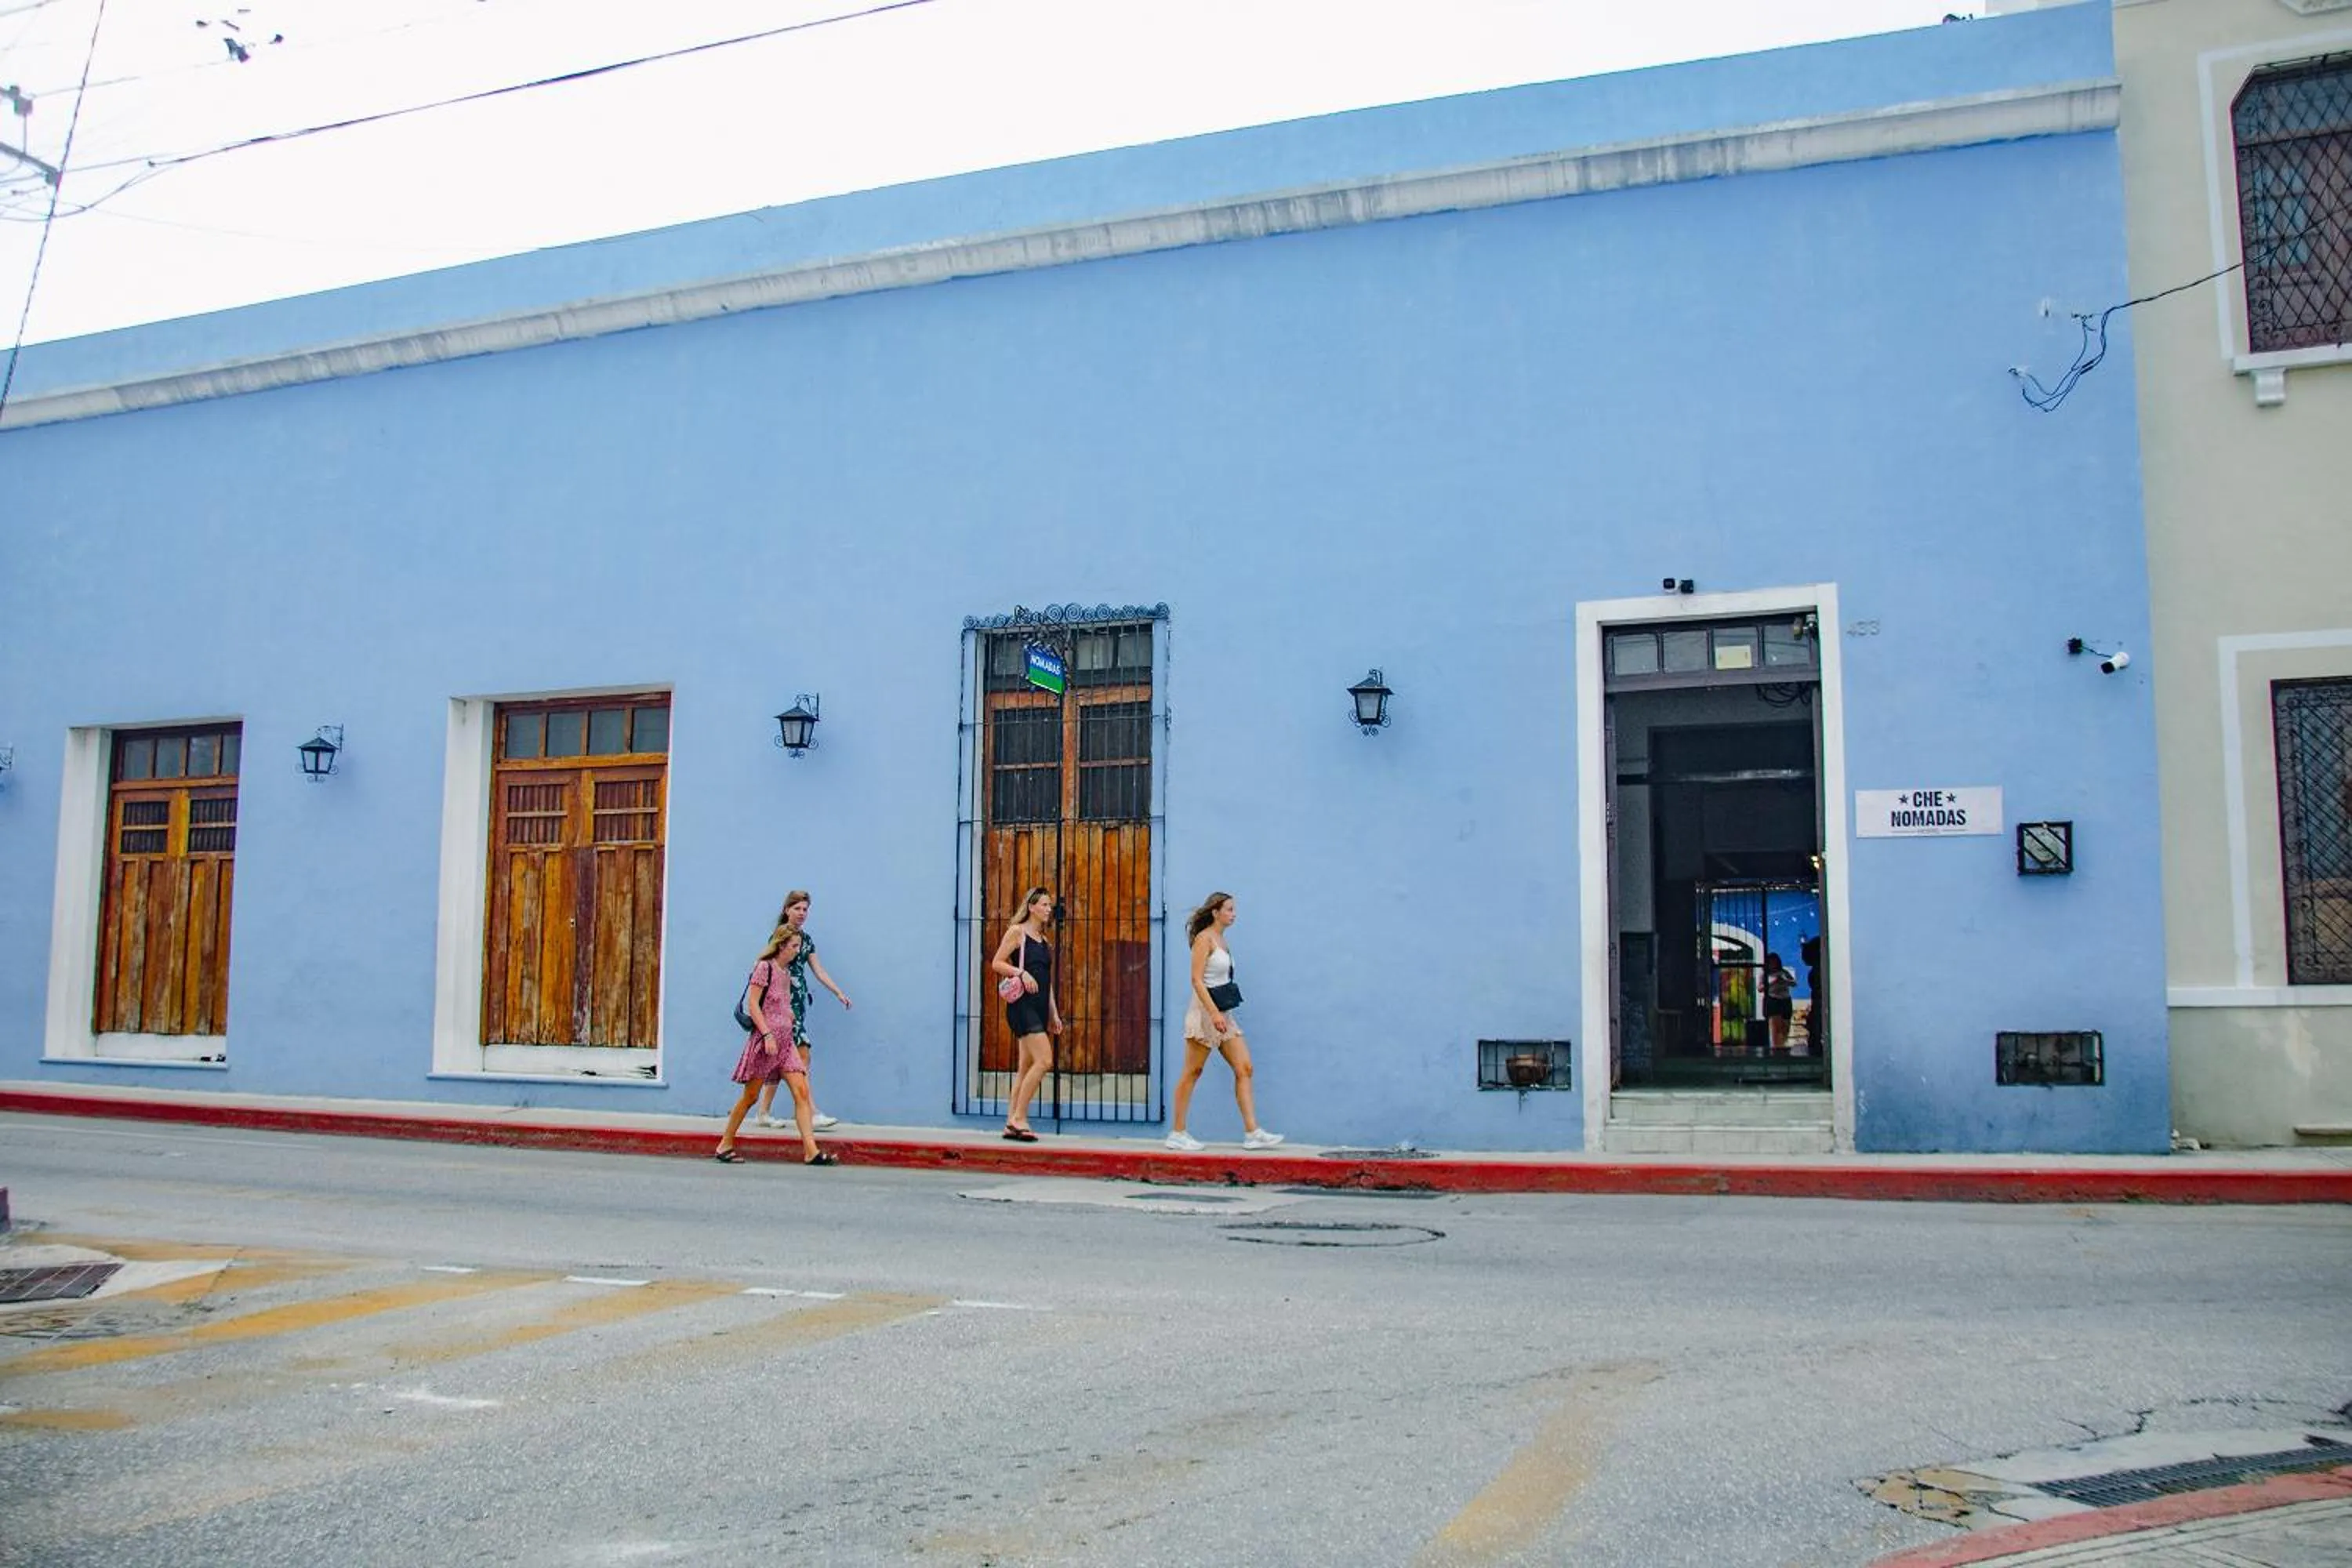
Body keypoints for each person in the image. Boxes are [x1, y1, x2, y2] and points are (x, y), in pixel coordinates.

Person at [1165, 891, 1283, 1152]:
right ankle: (1178, 1132)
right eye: (1229, 909)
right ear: (1215, 912)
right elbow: (1196, 980)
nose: (1234, 913)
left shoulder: (1222, 940)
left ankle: (1252, 1132)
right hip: (1205, 1012)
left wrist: (1222, 1014)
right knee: (1192, 1072)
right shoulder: (1204, 939)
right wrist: (1214, 1014)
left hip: (1223, 1013)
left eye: (1234, 909)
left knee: (1245, 1068)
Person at [714, 924, 836, 1167]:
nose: (796, 951)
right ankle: (725, 1144)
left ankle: (811, 1151)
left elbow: (784, 1004)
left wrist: (790, 1017)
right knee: (750, 1096)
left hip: (786, 1042)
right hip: (766, 1042)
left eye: (798, 946)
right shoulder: (764, 968)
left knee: (801, 1092)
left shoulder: (786, 973)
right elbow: (753, 1005)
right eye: (794, 946)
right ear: (781, 946)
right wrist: (768, 1034)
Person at [756, 891, 852, 1133]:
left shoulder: (807, 940)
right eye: (797, 908)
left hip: (798, 1004)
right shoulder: (781, 936)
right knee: (802, 1055)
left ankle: (763, 1112)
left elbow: (818, 970)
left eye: (805, 909)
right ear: (787, 909)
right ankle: (810, 1112)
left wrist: (838, 992)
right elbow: (770, 967)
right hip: (782, 1006)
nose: (802, 913)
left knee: (782, 1060)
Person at [988, 887, 1061, 1142]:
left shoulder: (1044, 940)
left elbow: (1046, 981)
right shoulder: (1017, 933)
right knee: (1045, 1061)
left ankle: (1010, 1123)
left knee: (1025, 1067)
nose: (1048, 909)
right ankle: (1020, 1117)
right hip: (1022, 1007)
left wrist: (1053, 1013)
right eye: (1044, 905)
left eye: (1050, 906)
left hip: (1040, 1007)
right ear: (1031, 907)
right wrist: (1021, 973)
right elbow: (997, 962)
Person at [1762, 952, 1795, 1054]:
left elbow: (1793, 983)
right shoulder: (1765, 975)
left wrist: (1784, 981)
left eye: (1775, 962)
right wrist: (1773, 982)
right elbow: (1760, 988)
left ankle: (1783, 1046)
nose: (1773, 964)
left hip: (1785, 1000)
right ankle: (1777, 1049)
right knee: (1776, 1028)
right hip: (1773, 1000)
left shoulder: (1784, 972)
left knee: (1785, 1026)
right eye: (1771, 962)